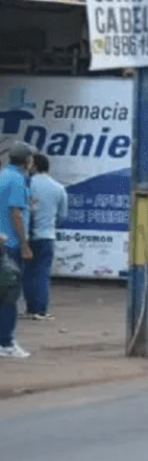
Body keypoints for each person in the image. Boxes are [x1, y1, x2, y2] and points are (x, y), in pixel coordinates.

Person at [22, 154, 66, 321]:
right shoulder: (58, 188)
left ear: (34, 166)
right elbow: (62, 215)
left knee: (27, 273)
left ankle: (30, 308)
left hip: (26, 235)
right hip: (46, 235)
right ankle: (41, 310)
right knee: (42, 273)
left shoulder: (26, 184)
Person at [0, 142, 34, 358]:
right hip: (10, 245)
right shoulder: (17, 180)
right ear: (27, 160)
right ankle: (6, 343)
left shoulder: (3, 175)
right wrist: (24, 244)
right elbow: (16, 214)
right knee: (9, 295)